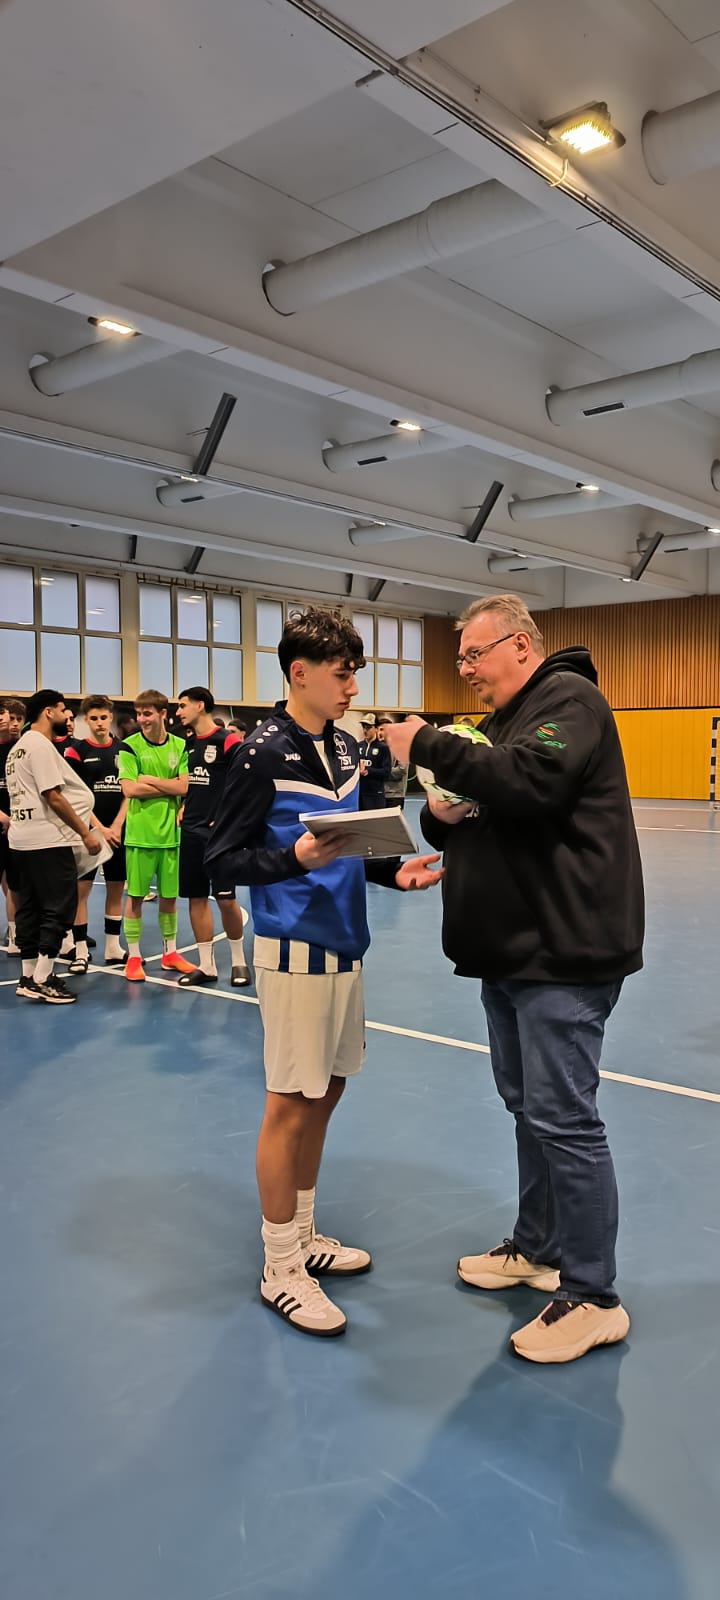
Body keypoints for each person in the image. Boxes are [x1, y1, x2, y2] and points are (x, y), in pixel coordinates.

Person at [384, 593, 643, 1365]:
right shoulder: (501, 721)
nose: (464, 669)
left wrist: (426, 744)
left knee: (564, 1117)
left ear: (521, 645)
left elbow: (530, 783)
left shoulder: (570, 699)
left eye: (473, 654)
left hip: (564, 953)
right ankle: (538, 1246)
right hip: (513, 952)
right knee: (528, 1106)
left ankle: (593, 1294)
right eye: (459, 658)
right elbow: (476, 800)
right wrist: (441, 810)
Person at [206, 607, 442, 1338]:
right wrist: (289, 862)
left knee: (328, 1088)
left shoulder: (344, 748)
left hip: (347, 943)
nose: (351, 687)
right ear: (299, 673)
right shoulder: (257, 753)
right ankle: (280, 1264)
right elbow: (220, 861)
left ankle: (303, 1235)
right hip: (292, 947)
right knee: (289, 1102)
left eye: (354, 674)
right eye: (342, 674)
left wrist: (387, 874)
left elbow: (347, 844)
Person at [7, 690, 103, 1004]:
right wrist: (85, 832)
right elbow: (53, 795)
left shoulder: (17, 748)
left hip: (21, 840)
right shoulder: (39, 745)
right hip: (49, 840)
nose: (67, 717)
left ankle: (28, 973)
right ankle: (43, 977)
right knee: (59, 908)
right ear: (49, 712)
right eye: (64, 711)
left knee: (29, 908)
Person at [174, 686, 250, 987]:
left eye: (182, 705)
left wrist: (230, 817)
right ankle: (206, 966)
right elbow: (191, 783)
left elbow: (246, 781)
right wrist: (183, 806)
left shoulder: (228, 740)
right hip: (191, 831)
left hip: (219, 835)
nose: (178, 712)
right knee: (196, 897)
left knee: (226, 898)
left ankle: (238, 961)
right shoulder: (188, 744)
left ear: (200, 705)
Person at [117, 689, 194, 982]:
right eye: (139, 714)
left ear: (163, 714)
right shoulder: (129, 746)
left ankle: (170, 953)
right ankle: (134, 956)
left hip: (171, 835)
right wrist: (169, 783)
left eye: (147, 713)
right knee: (135, 896)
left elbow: (186, 787)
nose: (142, 719)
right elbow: (130, 789)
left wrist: (148, 779)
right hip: (139, 834)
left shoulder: (180, 745)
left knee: (169, 897)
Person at [63, 695, 127, 970]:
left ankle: (113, 947)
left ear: (110, 717)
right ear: (85, 720)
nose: (99, 723)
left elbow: (129, 792)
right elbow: (74, 796)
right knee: (81, 890)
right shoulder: (75, 751)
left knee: (116, 887)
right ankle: (79, 950)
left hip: (118, 832)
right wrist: (99, 828)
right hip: (88, 833)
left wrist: (117, 826)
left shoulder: (126, 750)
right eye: (93, 719)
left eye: (103, 717)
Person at [0, 699, 24, 955]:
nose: (13, 723)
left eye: (19, 719)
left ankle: (16, 933)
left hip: (17, 826)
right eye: (10, 718)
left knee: (14, 883)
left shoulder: (21, 749)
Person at [358, 712, 391, 809]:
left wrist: (369, 771)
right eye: (364, 727)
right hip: (360, 794)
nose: (365, 730)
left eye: (368, 727)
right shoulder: (358, 746)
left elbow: (386, 772)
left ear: (376, 728)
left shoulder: (383, 748)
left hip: (376, 795)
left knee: (376, 824)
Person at [377, 714, 408, 808]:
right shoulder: (376, 748)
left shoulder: (401, 747)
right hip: (379, 794)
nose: (380, 733)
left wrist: (379, 773)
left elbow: (401, 770)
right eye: (379, 729)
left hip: (395, 796)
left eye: (383, 729)